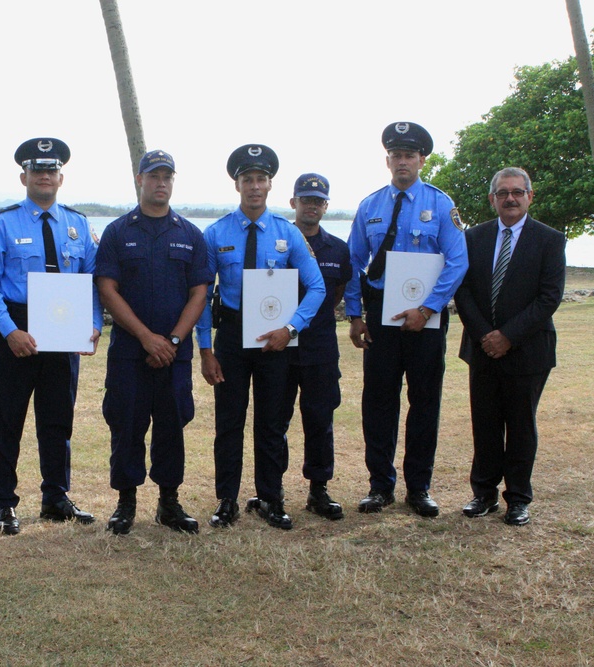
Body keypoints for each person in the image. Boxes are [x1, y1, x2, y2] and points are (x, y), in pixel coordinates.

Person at [0, 137, 102, 536]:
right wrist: (9, 331)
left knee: (58, 419)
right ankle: (4, 503)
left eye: (51, 170)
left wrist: (94, 322)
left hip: (66, 327)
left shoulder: (79, 224)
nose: (44, 176)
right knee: (8, 420)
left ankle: (56, 497)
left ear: (60, 177)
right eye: (37, 170)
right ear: (24, 176)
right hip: (20, 328)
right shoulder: (4, 222)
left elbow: (95, 280)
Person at [195, 148, 326, 531]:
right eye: (247, 179)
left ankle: (271, 498)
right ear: (236, 184)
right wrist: (205, 349)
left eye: (261, 179)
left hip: (275, 339)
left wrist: (292, 328)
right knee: (228, 422)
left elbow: (316, 286)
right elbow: (202, 294)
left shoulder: (288, 233)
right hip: (233, 337)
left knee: (271, 423)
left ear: (270, 184)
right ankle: (226, 500)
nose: (254, 186)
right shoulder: (216, 233)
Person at [344, 122, 468, 517]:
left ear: (421, 160)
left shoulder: (441, 204)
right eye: (396, 155)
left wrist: (429, 308)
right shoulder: (370, 206)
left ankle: (419, 487)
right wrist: (354, 314)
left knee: (424, 400)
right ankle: (380, 486)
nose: (402, 161)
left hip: (425, 316)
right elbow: (353, 261)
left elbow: (457, 261)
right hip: (380, 312)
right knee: (378, 400)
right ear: (387, 160)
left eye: (409, 155)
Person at [96, 149, 212, 535]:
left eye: (167, 176)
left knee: (171, 425)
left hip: (174, 355)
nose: (160, 183)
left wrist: (174, 339)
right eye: (154, 176)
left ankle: (169, 502)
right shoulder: (117, 232)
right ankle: (125, 503)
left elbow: (200, 292)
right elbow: (107, 289)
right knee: (126, 424)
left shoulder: (189, 234)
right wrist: (146, 338)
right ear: (139, 180)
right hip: (131, 352)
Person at [454, 167, 565, 526]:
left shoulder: (550, 240)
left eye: (518, 192)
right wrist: (486, 334)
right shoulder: (472, 239)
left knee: (520, 425)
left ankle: (518, 498)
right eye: (503, 193)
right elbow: (463, 290)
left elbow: (549, 298)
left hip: (528, 350)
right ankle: (483, 494)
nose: (510, 198)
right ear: (493, 199)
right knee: (484, 423)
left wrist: (508, 336)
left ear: (530, 197)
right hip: (481, 347)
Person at [277, 173, 352, 521]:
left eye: (318, 200)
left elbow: (335, 294)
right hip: (279, 346)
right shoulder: (276, 242)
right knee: (274, 420)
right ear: (293, 203)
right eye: (305, 199)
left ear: (325, 206)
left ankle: (318, 489)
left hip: (320, 347)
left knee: (320, 419)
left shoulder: (338, 248)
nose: (311, 205)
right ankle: (270, 488)